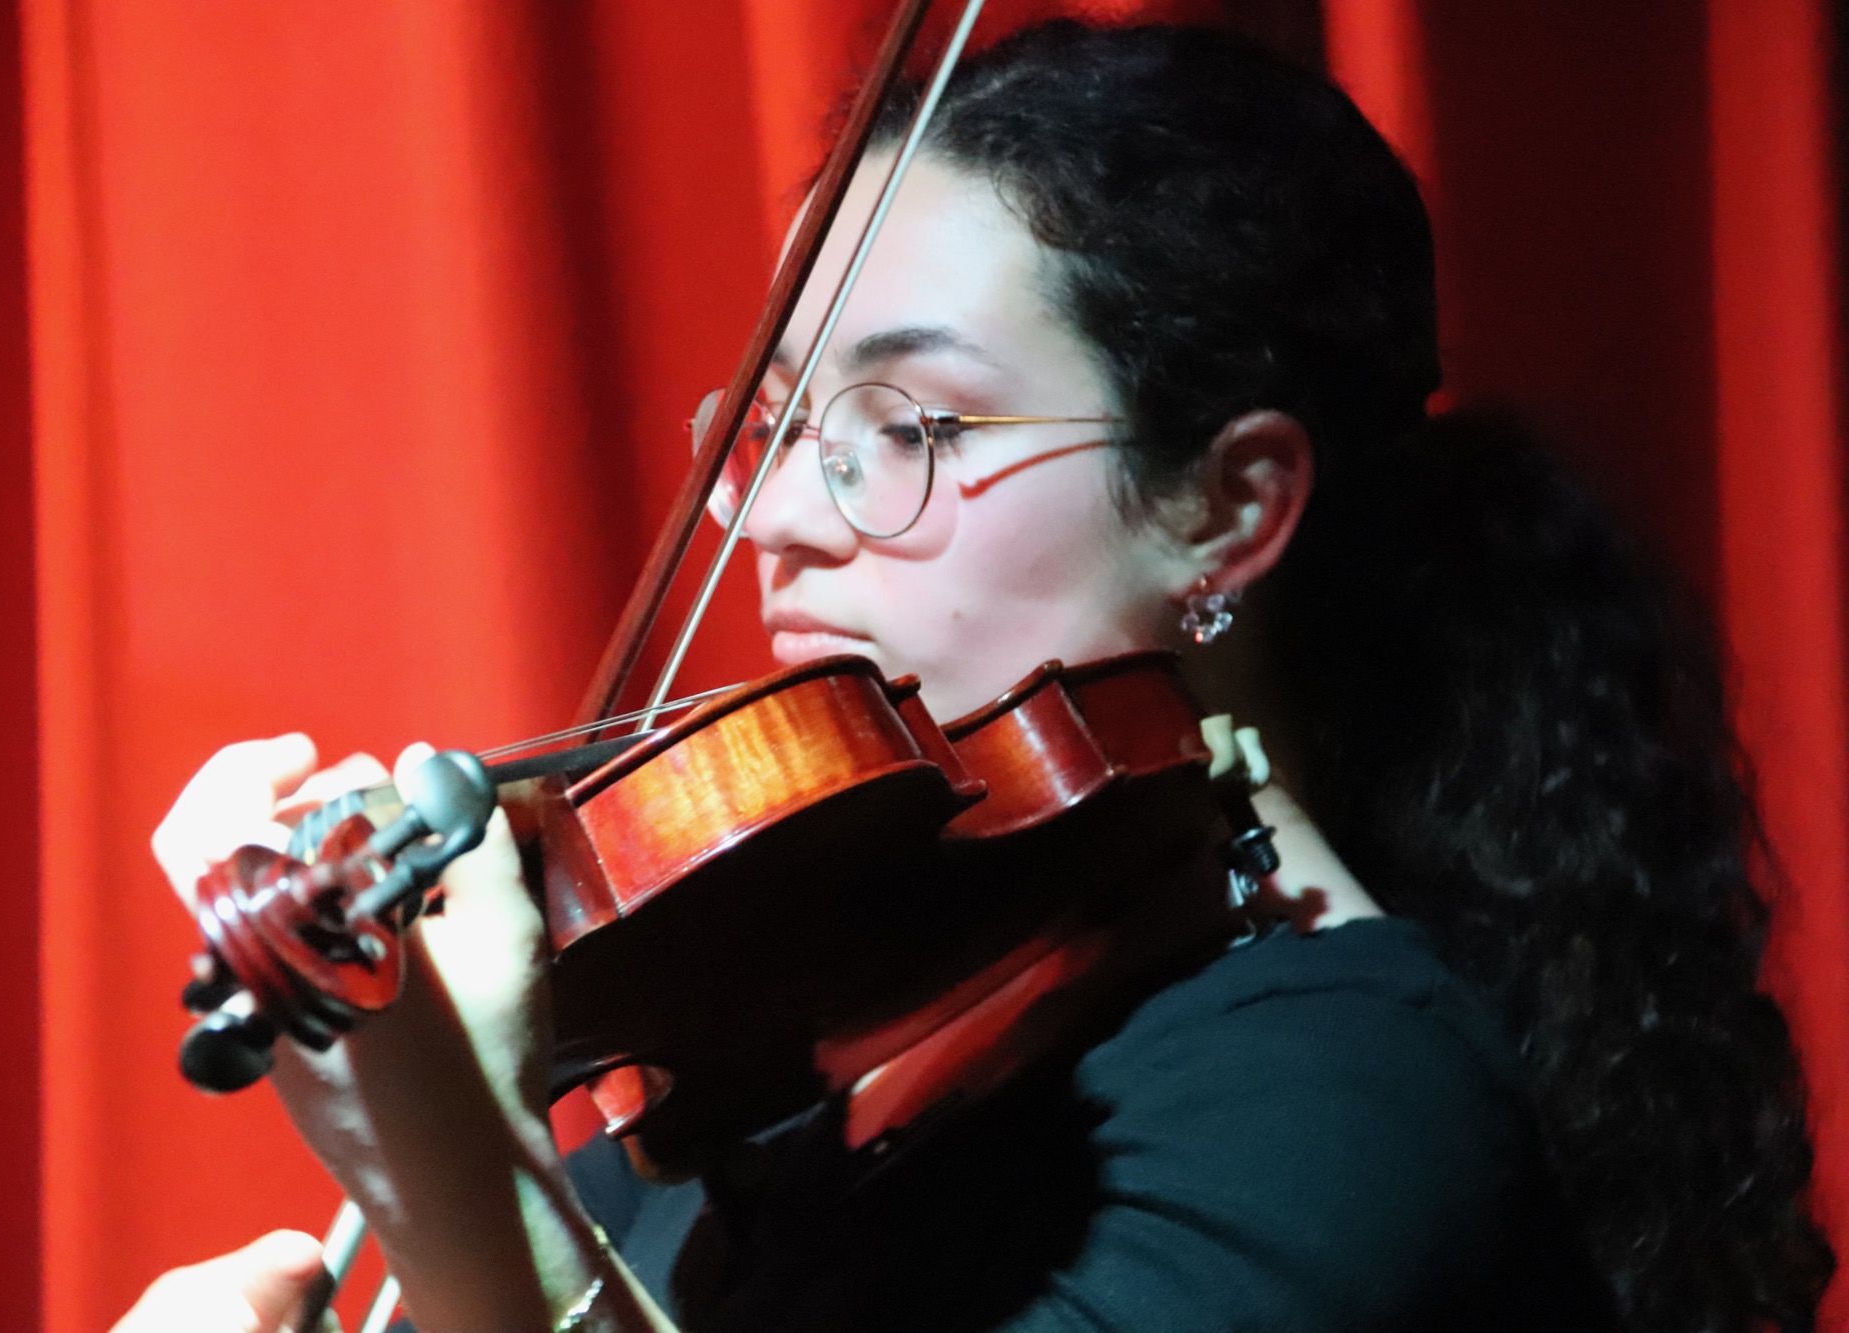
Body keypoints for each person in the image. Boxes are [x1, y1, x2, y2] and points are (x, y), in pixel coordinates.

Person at [119, 21, 1834, 1333]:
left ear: (1226, 507)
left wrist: (472, 1212)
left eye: (910, 427)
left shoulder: (1348, 1108)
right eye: (780, 426)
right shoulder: (773, 1104)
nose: (778, 518)